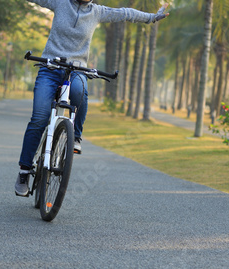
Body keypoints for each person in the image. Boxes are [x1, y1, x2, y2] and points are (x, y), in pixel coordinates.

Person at [15, 0, 169, 196]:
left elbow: (125, 13)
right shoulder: (60, 3)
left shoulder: (97, 12)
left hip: (76, 68)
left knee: (79, 92)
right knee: (39, 118)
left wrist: (152, 17)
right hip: (50, 68)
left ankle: (76, 135)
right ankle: (24, 171)